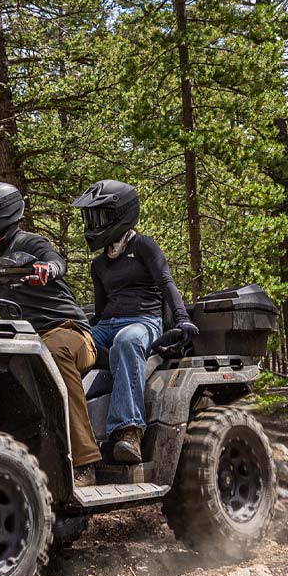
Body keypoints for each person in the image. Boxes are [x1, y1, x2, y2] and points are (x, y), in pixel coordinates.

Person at [0, 180, 101, 481]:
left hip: (70, 332)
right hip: (25, 343)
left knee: (52, 353)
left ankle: (85, 462)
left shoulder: (29, 243)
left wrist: (47, 269)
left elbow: (56, 260)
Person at [71, 180, 198, 465]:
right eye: (90, 218)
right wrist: (82, 330)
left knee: (126, 341)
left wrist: (182, 318)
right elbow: (101, 311)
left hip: (143, 321)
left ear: (120, 215)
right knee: (70, 343)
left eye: (98, 217)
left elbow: (166, 281)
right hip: (108, 323)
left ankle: (129, 431)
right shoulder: (98, 265)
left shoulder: (143, 246)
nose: (92, 224)